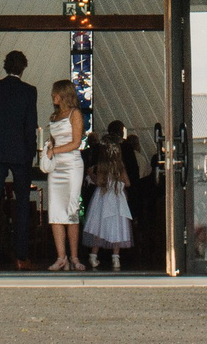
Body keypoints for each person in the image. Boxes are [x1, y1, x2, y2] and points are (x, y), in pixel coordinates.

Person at [0, 50, 38, 267]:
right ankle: (21, 255)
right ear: (23, 68)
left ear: (6, 66)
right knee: (22, 201)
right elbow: (30, 125)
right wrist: (31, 152)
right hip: (20, 152)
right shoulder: (29, 91)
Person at [81, 120, 137, 270]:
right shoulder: (120, 167)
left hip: (103, 198)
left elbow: (99, 182)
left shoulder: (102, 166)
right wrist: (118, 184)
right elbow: (128, 183)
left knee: (98, 227)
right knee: (117, 227)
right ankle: (116, 258)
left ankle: (93, 256)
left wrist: (91, 175)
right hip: (117, 198)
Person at [43, 79, 87, 270]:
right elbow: (53, 139)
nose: (53, 96)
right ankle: (61, 257)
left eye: (56, 93)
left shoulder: (74, 114)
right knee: (55, 211)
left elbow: (76, 143)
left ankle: (75, 257)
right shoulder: (55, 116)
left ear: (63, 94)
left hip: (71, 166)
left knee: (71, 211)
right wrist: (48, 148)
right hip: (56, 167)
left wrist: (54, 151)